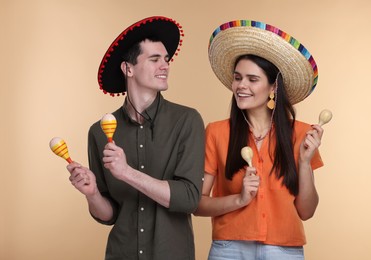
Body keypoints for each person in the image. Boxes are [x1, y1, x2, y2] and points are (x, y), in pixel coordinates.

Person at [66, 16, 205, 260]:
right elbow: (109, 215)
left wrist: (126, 172)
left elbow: (189, 199)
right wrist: (92, 194)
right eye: (154, 59)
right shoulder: (99, 132)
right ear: (128, 68)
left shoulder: (187, 120)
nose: (165, 65)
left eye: (166, 59)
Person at [194, 20, 325, 260]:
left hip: (284, 251)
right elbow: (197, 204)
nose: (241, 86)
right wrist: (239, 199)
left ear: (273, 86)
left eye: (252, 79)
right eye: (237, 78)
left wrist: (305, 163)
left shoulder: (302, 135)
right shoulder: (215, 132)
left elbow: (306, 212)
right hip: (228, 249)